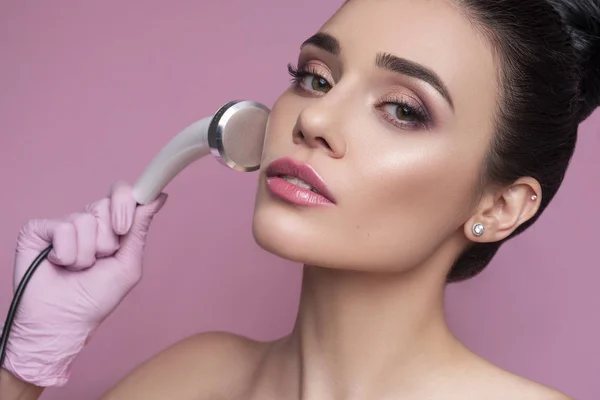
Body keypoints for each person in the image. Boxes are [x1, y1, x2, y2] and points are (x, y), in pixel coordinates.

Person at [1, 0, 598, 398]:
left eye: (403, 110)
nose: (314, 117)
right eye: (316, 76)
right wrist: (23, 364)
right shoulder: (189, 380)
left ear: (500, 208)